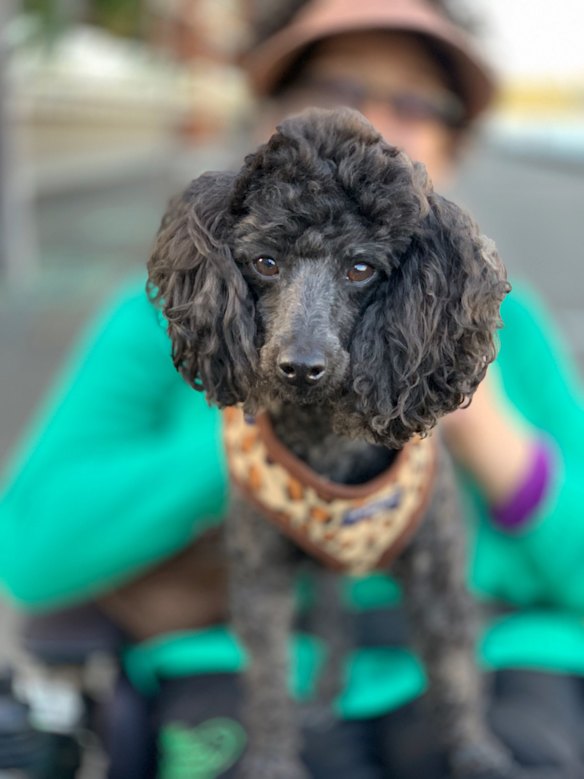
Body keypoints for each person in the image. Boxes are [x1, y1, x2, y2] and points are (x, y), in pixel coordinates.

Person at [2, 0, 584, 776]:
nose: (371, 117)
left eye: (415, 103)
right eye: (337, 84)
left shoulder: (513, 324)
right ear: (272, 118)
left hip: (499, 655)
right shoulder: (166, 318)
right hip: (232, 666)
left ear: (453, 142)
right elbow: (32, 549)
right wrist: (258, 428)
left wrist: (490, 434)